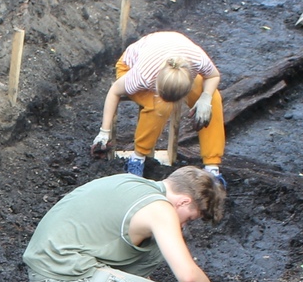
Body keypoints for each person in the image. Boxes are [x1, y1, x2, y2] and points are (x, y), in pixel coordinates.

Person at [24, 166, 229, 282]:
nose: (185, 224)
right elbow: (189, 277)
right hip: (58, 277)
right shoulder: (161, 210)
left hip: (54, 258)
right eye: (190, 218)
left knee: (154, 248)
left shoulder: (133, 183)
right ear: (183, 201)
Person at [92, 31, 228, 183]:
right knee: (160, 106)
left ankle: (212, 167)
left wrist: (205, 98)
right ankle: (137, 158)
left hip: (174, 57)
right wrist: (104, 132)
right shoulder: (142, 76)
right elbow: (114, 92)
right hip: (129, 66)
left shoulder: (197, 60)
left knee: (213, 99)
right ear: (156, 84)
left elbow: (213, 76)